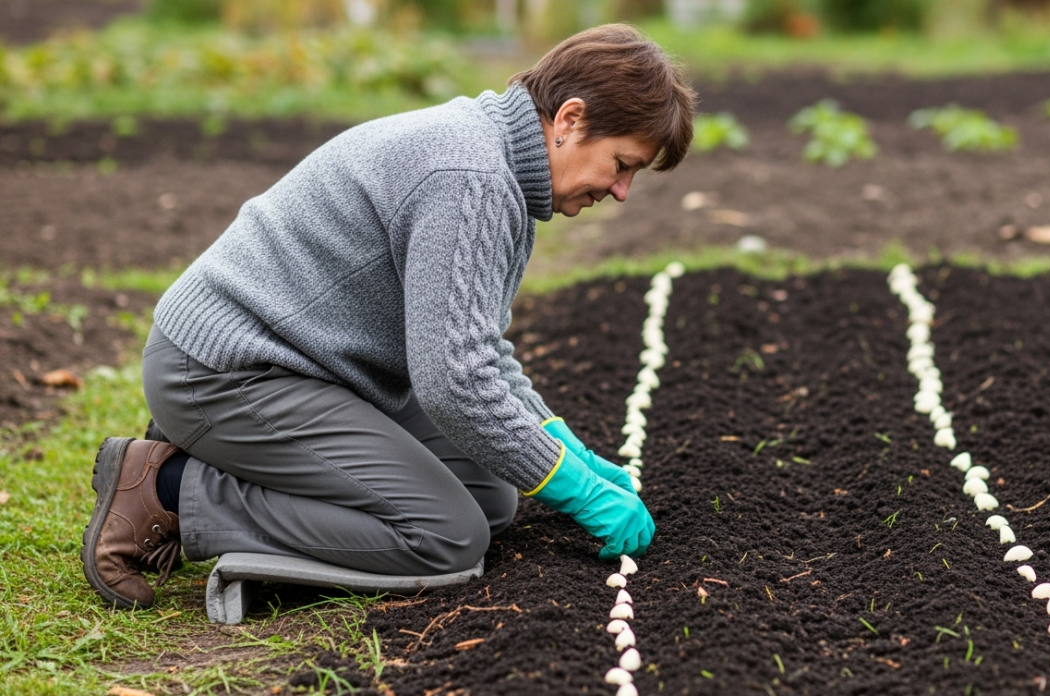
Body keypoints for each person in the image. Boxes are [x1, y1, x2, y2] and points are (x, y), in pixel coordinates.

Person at [80, 24, 696, 608]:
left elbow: (475, 350)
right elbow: (453, 381)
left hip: (306, 367)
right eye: (622, 165)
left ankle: (228, 463)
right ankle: (170, 490)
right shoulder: (470, 175)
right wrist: (576, 489)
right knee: (448, 537)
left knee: (489, 496)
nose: (621, 192)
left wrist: (560, 446)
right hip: (223, 371)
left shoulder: (500, 164)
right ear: (569, 119)